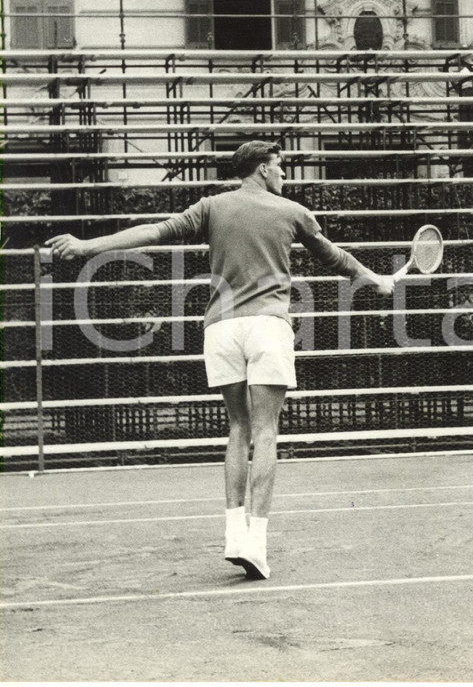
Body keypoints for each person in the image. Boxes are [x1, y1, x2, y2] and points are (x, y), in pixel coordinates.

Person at [46, 141, 394, 580]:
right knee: (266, 432)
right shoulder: (292, 212)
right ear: (264, 170)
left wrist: (84, 246)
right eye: (280, 168)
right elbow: (337, 259)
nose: (284, 175)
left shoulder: (211, 206)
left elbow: (152, 232)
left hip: (221, 330)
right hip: (268, 326)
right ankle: (257, 543)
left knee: (237, 428)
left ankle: (234, 533)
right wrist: (376, 281)